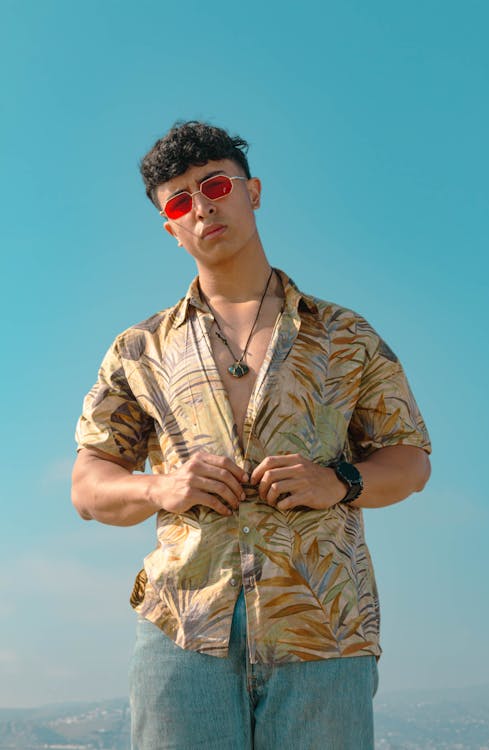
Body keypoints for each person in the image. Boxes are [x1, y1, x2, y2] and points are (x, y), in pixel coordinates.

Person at [72, 121, 431, 750]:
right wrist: (163, 487)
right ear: (170, 228)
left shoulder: (344, 336)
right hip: (182, 630)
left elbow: (410, 461)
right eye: (180, 200)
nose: (202, 206)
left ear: (252, 191)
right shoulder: (139, 349)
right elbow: (87, 486)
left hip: (325, 630)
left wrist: (339, 481)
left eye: (214, 185)